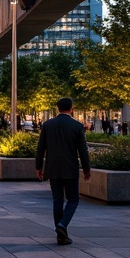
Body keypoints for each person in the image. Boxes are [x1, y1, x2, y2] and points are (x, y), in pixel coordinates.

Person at [35, 97, 90, 246]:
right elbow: (83, 150)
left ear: (57, 108)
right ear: (71, 108)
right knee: (73, 199)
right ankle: (62, 225)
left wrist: (38, 167)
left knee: (57, 200)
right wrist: (86, 170)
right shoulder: (77, 126)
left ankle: (61, 235)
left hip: (52, 168)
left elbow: (41, 148)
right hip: (70, 168)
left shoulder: (48, 125)